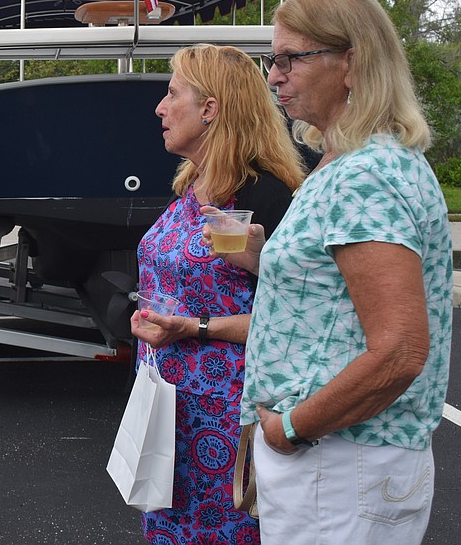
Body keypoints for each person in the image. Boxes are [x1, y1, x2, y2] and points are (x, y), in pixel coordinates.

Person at [221, 0, 453, 543]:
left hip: (341, 461)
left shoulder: (365, 173)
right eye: (271, 60)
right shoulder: (348, 162)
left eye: (290, 60)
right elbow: (335, 299)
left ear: (351, 62)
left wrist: (289, 431)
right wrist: (266, 259)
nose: (273, 76)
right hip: (340, 461)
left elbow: (400, 350)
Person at [129, 43, 306, 544]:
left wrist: (195, 326)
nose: (160, 108)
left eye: (171, 94)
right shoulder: (190, 184)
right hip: (169, 409)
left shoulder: (264, 194)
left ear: (210, 109)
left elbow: (293, 318)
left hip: (229, 422)